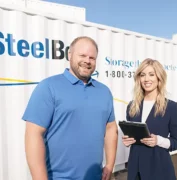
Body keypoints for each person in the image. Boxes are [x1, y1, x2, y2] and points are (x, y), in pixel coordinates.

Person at [22, 36, 118, 180]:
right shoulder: (48, 87)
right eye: (83, 55)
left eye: (92, 57)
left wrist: (110, 165)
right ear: (70, 55)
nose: (87, 60)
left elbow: (111, 129)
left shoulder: (104, 92)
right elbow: (33, 134)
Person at [122, 58, 177, 180]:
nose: (146, 79)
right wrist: (127, 141)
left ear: (159, 78)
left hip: (158, 170)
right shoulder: (132, 106)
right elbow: (132, 137)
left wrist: (158, 140)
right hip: (135, 170)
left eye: (151, 74)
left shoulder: (171, 107)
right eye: (143, 75)